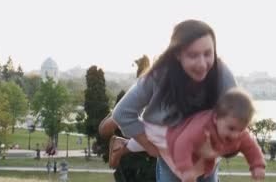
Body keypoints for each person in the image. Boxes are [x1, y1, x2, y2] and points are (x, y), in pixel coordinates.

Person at [100, 19, 238, 182]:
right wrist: (151, 148)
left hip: (207, 157)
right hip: (169, 150)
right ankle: (120, 139)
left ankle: (123, 144)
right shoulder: (160, 75)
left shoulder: (222, 75)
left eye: (208, 53)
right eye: (193, 55)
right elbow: (123, 113)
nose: (202, 64)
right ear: (177, 55)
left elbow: (234, 124)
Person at [109, 88, 265, 181]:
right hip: (175, 141)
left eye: (241, 129)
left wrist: (257, 164)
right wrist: (186, 170)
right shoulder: (199, 129)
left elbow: (251, 147)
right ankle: (122, 145)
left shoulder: (236, 129)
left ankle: (123, 145)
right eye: (232, 129)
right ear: (216, 119)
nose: (237, 135)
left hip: (205, 160)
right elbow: (182, 145)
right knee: (154, 139)